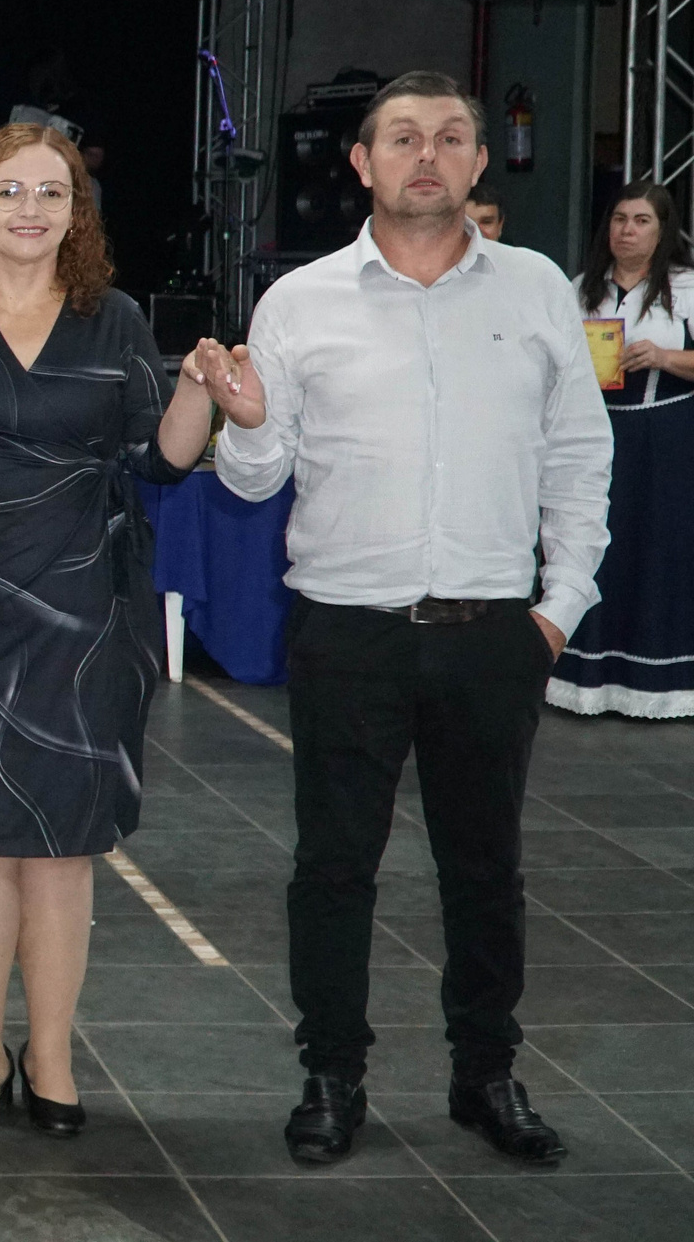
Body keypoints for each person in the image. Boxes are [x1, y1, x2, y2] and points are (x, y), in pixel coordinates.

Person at [198, 70, 611, 1166]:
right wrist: (240, 425)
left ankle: (486, 1075)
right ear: (361, 163)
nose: (424, 155)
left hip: (493, 637)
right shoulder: (298, 303)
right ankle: (331, 1077)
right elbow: (252, 478)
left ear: (481, 162)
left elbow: (578, 458)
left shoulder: (531, 291)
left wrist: (556, 611)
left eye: (449, 137)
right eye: (400, 137)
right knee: (333, 869)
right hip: (348, 631)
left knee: (487, 871)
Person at [0, 124, 212, 1142]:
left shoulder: (115, 326)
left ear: (75, 212)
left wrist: (198, 389)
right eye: (7, 191)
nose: (29, 209)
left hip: (86, 624)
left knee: (65, 853)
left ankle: (50, 1058)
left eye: (50, 193)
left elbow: (160, 461)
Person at [550, 182, 694, 717]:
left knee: (660, 550)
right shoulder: (582, 287)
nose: (626, 231)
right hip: (595, 432)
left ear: (662, 231)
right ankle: (588, 677)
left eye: (640, 221)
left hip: (666, 436)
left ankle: (660, 681)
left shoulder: (685, 287)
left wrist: (663, 356)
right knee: (595, 545)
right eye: (619, 219)